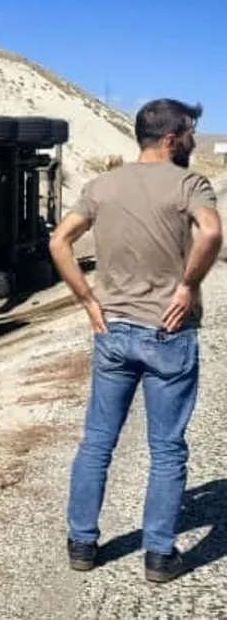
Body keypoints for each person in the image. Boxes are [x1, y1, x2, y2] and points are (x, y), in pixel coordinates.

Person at [48, 98, 222, 583]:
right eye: (189, 132)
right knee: (166, 448)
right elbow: (211, 232)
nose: (192, 140)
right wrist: (187, 286)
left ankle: (82, 544)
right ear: (171, 138)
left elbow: (58, 240)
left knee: (98, 441)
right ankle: (159, 556)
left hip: (113, 330)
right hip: (168, 332)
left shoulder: (103, 185)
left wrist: (86, 299)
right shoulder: (190, 182)